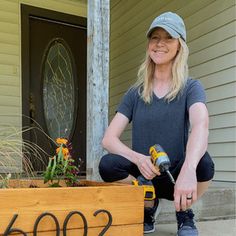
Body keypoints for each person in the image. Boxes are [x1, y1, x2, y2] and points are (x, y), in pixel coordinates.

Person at [99, 12, 215, 236]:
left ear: (179, 46)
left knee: (204, 164)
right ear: (149, 44)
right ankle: (147, 207)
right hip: (146, 176)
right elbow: (109, 139)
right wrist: (139, 159)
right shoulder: (135, 93)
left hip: (177, 175)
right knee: (108, 164)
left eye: (168, 38)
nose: (160, 43)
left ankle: (184, 212)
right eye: (155, 37)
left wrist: (189, 169)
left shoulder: (191, 87)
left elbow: (201, 125)